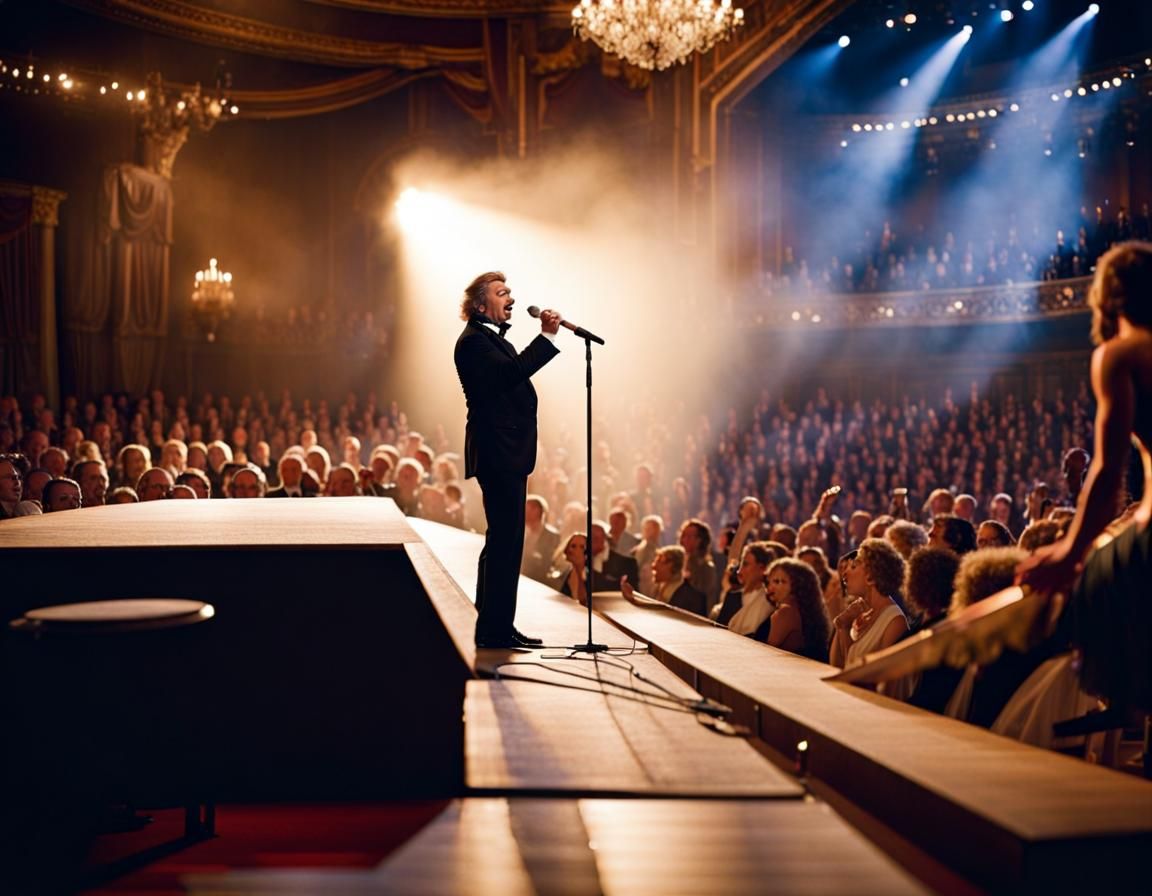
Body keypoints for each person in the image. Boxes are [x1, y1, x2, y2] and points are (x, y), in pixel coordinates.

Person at [1018, 241, 1152, 712]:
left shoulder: (1121, 354)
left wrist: (1071, 551)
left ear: (1108, 294)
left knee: (1096, 577)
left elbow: (1108, 468)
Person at [454, 271, 561, 649]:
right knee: (504, 540)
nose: (510, 297)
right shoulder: (473, 344)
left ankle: (496, 623)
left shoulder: (490, 340)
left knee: (504, 540)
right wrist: (547, 336)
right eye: (501, 293)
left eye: (510, 291)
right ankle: (494, 629)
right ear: (481, 305)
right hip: (498, 453)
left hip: (506, 453)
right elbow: (509, 375)